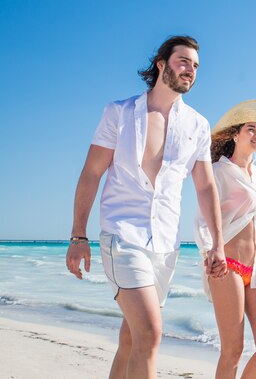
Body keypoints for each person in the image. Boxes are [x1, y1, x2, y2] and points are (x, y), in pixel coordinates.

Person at [65, 35, 226, 379]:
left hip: (165, 245)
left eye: (196, 66)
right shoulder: (120, 113)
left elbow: (206, 187)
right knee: (150, 334)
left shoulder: (197, 125)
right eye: (183, 61)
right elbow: (92, 173)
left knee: (132, 338)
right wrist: (78, 236)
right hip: (122, 236)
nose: (190, 70)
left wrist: (218, 244)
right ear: (161, 64)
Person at [195, 100, 256, 379]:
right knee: (233, 349)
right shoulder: (219, 171)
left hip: (254, 269)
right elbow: (202, 219)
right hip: (226, 265)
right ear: (235, 134)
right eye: (251, 128)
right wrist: (211, 251)